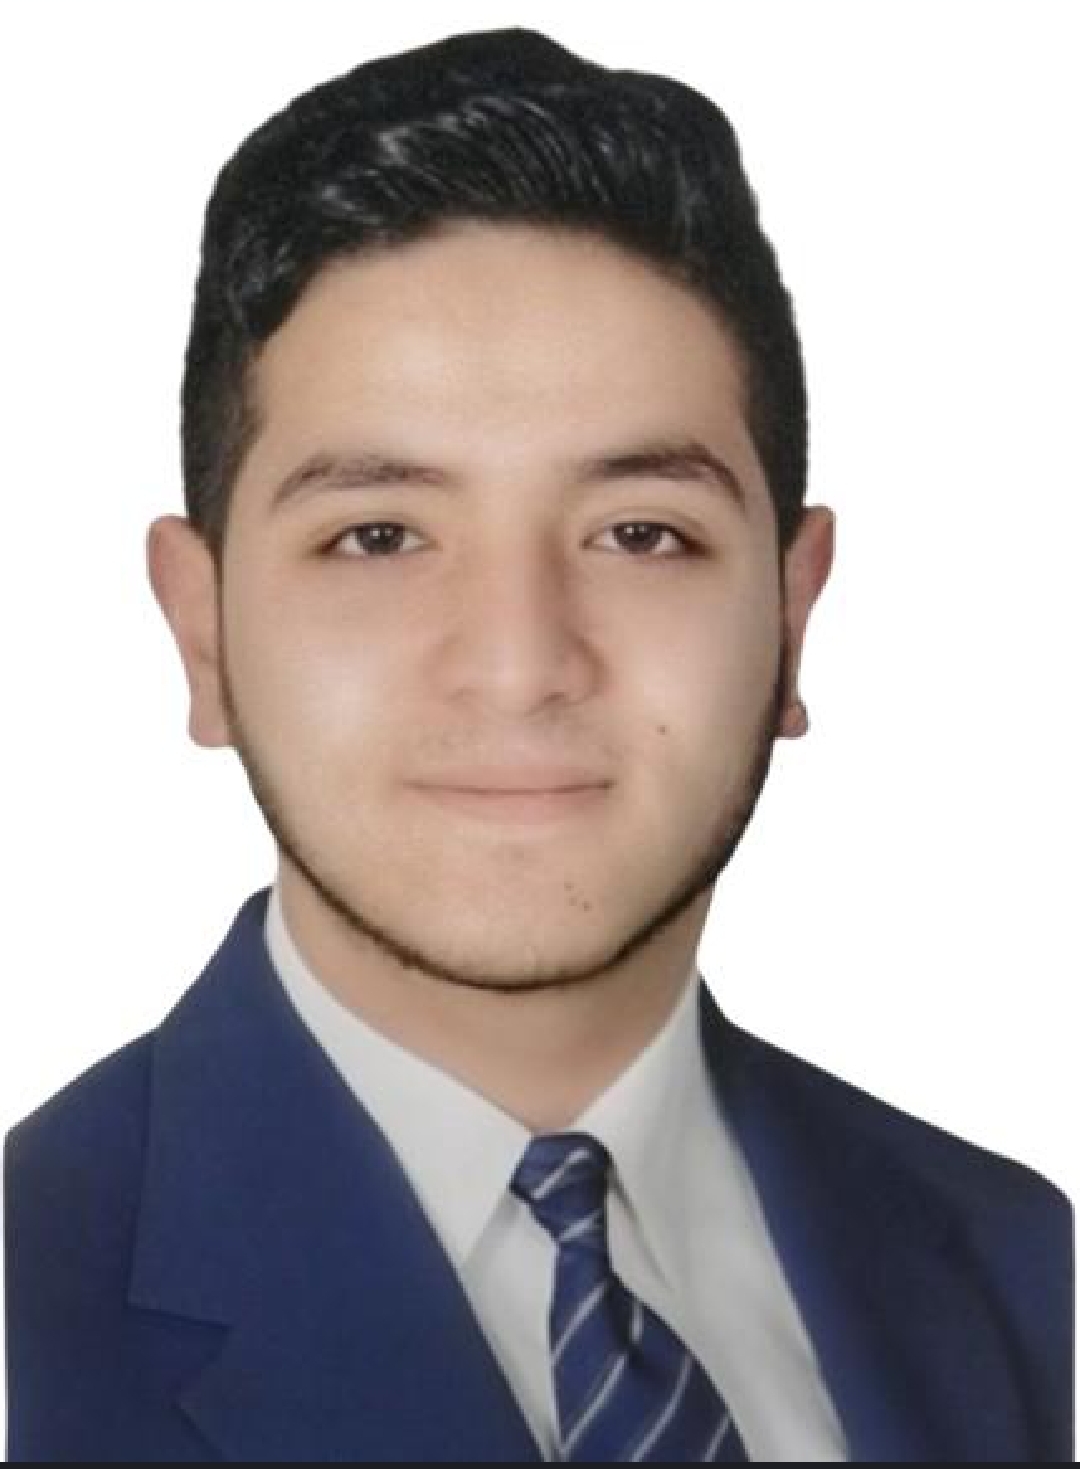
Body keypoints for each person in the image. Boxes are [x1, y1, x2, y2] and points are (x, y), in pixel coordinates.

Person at [3, 24, 1072, 1463]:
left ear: (791, 615)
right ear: (202, 634)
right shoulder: (28, 1300)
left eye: (640, 533)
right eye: (379, 536)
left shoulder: (1023, 1267)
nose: (519, 665)